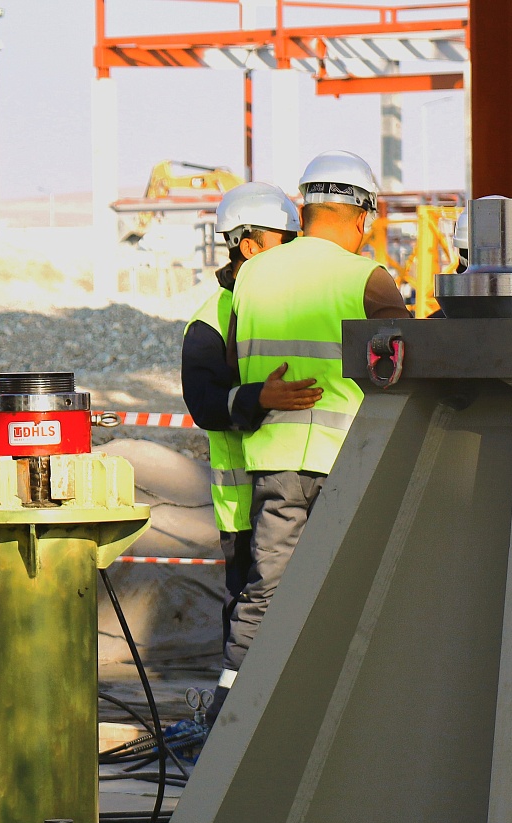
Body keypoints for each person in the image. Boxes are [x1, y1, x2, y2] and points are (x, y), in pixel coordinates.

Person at [219, 151, 412, 705]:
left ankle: (232, 711)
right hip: (347, 461)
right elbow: (406, 370)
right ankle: (337, 710)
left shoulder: (252, 274)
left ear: (304, 209)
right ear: (361, 214)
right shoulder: (368, 278)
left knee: (266, 592)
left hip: (274, 465)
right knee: (349, 591)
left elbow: (235, 367)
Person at [181, 182, 309, 725]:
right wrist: (260, 398)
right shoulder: (213, 318)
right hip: (247, 506)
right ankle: (234, 730)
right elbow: (205, 404)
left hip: (304, 483)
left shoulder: (299, 304)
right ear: (248, 246)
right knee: (254, 614)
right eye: (284, 240)